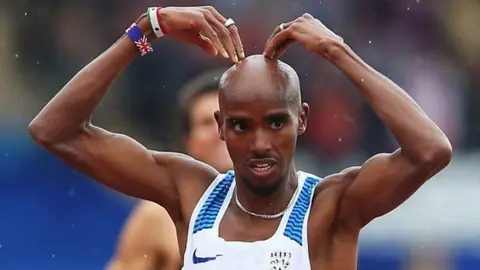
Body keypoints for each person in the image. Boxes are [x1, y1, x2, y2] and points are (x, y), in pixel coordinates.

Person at [29, 5, 452, 270]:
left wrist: (337, 52)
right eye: (240, 126)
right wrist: (149, 27)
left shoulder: (331, 208)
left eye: (275, 122)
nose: (260, 144)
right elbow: (54, 131)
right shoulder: (189, 195)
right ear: (220, 126)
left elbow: (430, 150)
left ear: (301, 120)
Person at [106, 69, 233, 270]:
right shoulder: (159, 215)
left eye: (232, 121)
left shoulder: (286, 207)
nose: (221, 132)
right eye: (207, 122)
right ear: (189, 141)